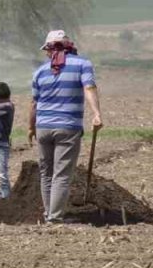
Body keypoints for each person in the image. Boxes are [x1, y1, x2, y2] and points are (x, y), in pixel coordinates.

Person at [28, 30, 103, 223]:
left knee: (46, 173)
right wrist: (96, 113)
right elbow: (89, 88)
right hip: (68, 127)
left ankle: (48, 215)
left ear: (49, 49)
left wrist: (31, 128)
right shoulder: (83, 64)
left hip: (43, 127)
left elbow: (34, 104)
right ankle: (54, 218)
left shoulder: (39, 72)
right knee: (61, 174)